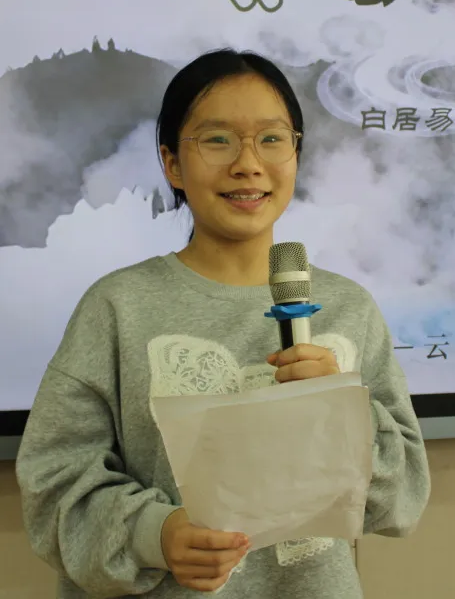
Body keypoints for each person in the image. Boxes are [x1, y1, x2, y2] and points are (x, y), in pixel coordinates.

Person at [16, 48, 431, 598]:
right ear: (171, 163)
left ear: (296, 154)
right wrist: (154, 534)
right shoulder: (117, 307)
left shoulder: (348, 307)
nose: (248, 163)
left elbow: (402, 495)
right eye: (217, 139)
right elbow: (53, 482)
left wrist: (344, 416)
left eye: (272, 138)